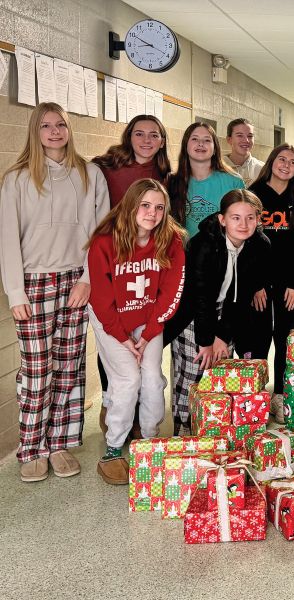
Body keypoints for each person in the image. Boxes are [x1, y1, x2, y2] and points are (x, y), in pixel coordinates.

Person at [0, 102, 110, 482]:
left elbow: (101, 234)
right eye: (46, 125)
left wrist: (89, 279)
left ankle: (60, 443)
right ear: (36, 131)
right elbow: (7, 239)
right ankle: (32, 448)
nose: (54, 131)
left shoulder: (90, 174)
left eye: (60, 124)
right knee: (36, 369)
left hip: (76, 281)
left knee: (68, 366)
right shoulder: (17, 179)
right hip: (34, 282)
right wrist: (16, 292)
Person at [87, 179, 185, 484]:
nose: (152, 213)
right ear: (130, 204)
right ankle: (114, 446)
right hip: (112, 320)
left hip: (147, 318)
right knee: (128, 378)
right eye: (145, 205)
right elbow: (101, 301)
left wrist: (147, 334)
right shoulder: (104, 242)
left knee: (153, 378)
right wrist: (123, 339)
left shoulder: (171, 241)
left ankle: (148, 438)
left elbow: (171, 293)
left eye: (159, 207)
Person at [164, 189, 272, 434]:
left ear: (258, 219)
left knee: (219, 369)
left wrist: (222, 336)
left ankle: (213, 425)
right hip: (194, 313)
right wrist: (205, 341)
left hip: (229, 312)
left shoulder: (260, 245)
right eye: (235, 217)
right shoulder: (203, 244)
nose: (243, 224)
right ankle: (184, 426)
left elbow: (242, 297)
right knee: (194, 371)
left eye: (250, 217)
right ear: (222, 219)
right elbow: (200, 297)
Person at [92, 113, 171, 436]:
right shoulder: (106, 167)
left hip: (146, 263)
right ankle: (111, 401)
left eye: (154, 135)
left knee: (146, 355)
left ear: (162, 141)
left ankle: (141, 417)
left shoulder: (164, 174)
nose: (147, 140)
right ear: (129, 136)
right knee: (114, 349)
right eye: (140, 134)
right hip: (114, 256)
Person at [249, 144, 294, 423]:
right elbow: (244, 244)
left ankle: (281, 395)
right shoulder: (253, 195)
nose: (286, 165)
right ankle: (257, 396)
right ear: (271, 162)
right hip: (259, 283)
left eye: (292, 162)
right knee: (258, 339)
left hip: (291, 284)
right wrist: (255, 284)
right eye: (281, 159)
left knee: (286, 339)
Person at [168, 122, 245, 239]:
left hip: (221, 253)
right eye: (194, 139)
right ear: (185, 146)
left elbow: (242, 225)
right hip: (182, 254)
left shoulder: (234, 182)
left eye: (207, 140)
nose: (200, 144)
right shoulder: (172, 182)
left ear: (215, 148)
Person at [223, 118, 264, 186]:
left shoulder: (262, 170)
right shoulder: (217, 167)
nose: (246, 140)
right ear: (229, 139)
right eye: (240, 135)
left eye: (250, 136)